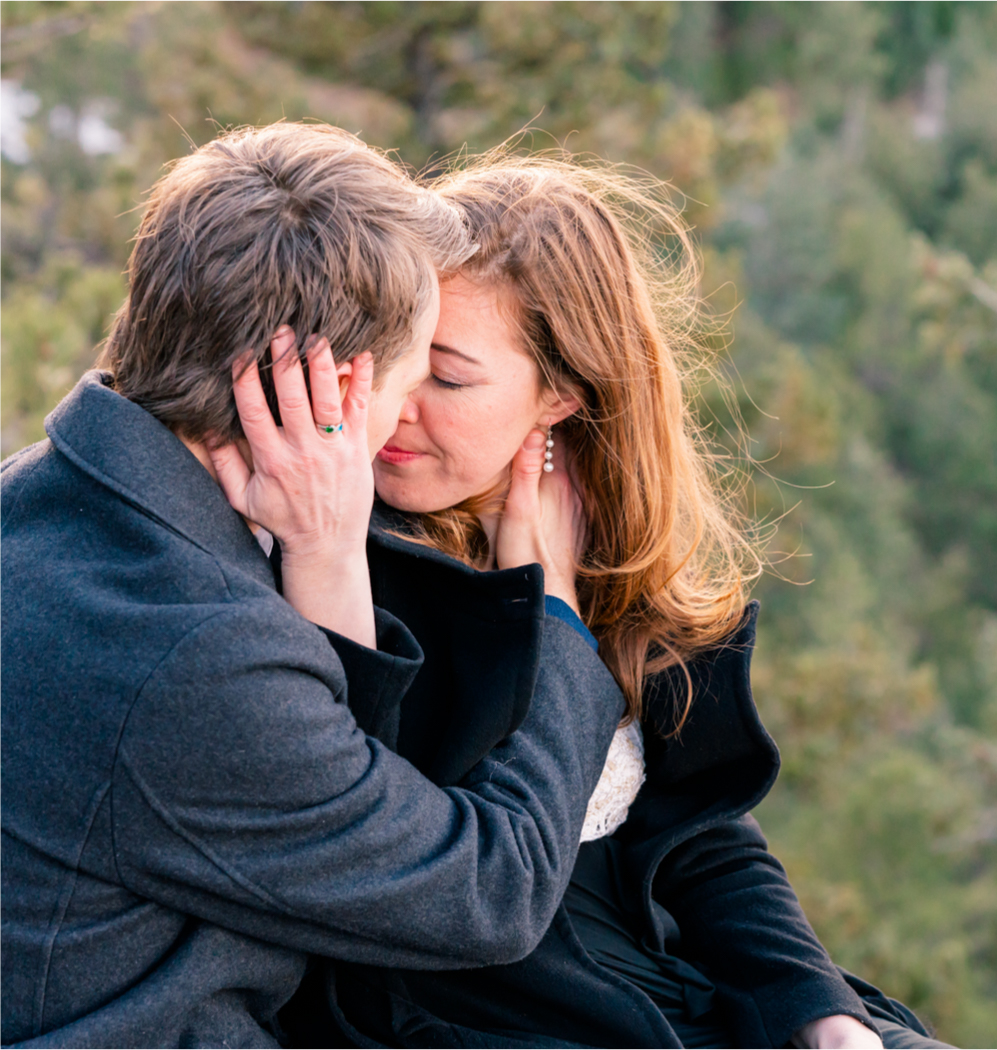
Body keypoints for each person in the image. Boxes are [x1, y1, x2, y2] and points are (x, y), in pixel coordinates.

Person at [278, 152, 949, 1049]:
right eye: (395, 358)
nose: (398, 406)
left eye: (449, 376)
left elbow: (697, 838)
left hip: (662, 990)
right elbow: (364, 840)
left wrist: (820, 1012)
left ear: (561, 395)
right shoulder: (339, 549)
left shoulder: (597, 546)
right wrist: (547, 620)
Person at [0, 124, 628, 1049]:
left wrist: (328, 558)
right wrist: (561, 619)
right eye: (420, 375)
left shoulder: (46, 495)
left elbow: (328, 804)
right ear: (330, 390)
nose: (407, 415)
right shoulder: (198, 654)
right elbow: (490, 894)